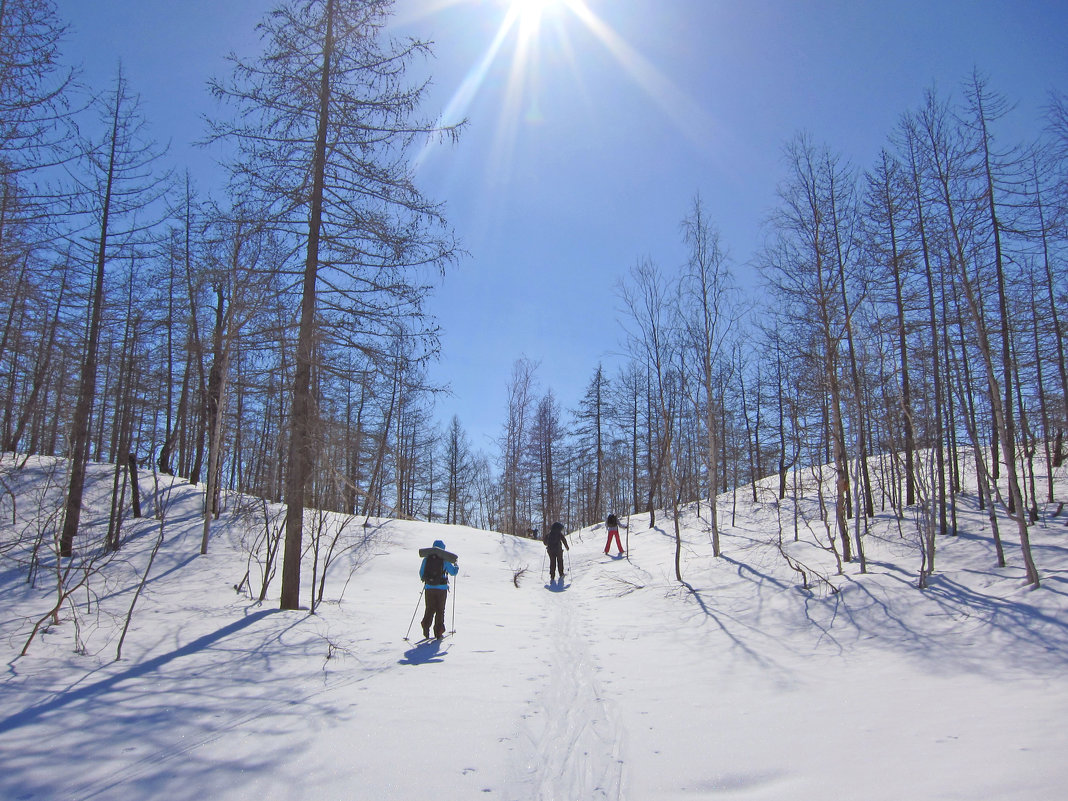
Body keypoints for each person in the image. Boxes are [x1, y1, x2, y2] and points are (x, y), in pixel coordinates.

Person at [420, 539, 459, 639]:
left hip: (429, 588)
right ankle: (438, 632)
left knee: (429, 608)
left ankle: (425, 626)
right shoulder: (445, 560)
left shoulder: (426, 559)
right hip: (442, 589)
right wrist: (456, 566)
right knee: (440, 610)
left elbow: (421, 573)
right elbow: (453, 572)